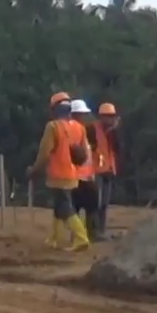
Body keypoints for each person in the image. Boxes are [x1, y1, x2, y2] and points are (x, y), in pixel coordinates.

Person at [27, 92, 91, 252]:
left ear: (55, 109)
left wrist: (34, 170)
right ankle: (54, 238)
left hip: (58, 174)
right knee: (58, 206)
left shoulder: (53, 127)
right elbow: (84, 154)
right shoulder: (80, 128)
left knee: (64, 207)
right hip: (73, 174)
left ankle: (81, 237)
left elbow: (44, 152)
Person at [68, 99, 101, 240]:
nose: (83, 117)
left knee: (86, 205)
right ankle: (83, 235)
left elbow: (91, 150)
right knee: (82, 205)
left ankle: (86, 234)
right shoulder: (72, 130)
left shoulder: (84, 130)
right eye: (80, 114)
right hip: (76, 176)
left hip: (84, 175)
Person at [92, 102, 121, 239]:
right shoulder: (93, 129)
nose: (110, 119)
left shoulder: (113, 133)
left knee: (104, 203)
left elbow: (118, 149)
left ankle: (101, 231)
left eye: (112, 117)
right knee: (96, 203)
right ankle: (94, 231)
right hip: (96, 170)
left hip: (109, 169)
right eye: (107, 117)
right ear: (101, 117)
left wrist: (114, 132)